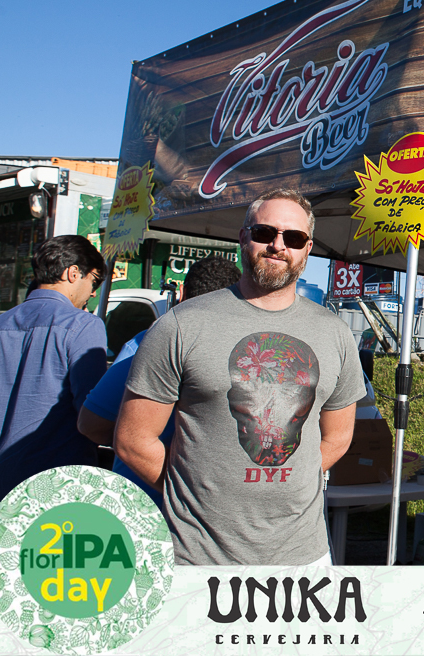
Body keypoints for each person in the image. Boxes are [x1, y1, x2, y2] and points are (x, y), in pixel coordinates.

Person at [115, 188, 365, 565]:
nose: (278, 245)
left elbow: (339, 435)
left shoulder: (336, 334)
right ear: (243, 236)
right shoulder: (181, 326)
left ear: (307, 248)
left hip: (304, 558)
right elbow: (134, 440)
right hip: (198, 558)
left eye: (293, 238)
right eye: (265, 232)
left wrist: (293, 482)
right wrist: (192, 498)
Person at [77, 256, 242, 507]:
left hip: (141, 504)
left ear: (182, 292)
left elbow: (91, 423)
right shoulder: (253, 357)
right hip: (216, 512)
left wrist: (138, 439)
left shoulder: (153, 340)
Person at [0, 235, 107, 528]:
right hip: (52, 495)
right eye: (92, 283)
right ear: (72, 273)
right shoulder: (82, 325)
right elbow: (92, 415)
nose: (90, 295)